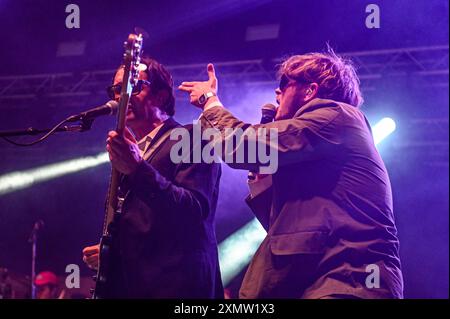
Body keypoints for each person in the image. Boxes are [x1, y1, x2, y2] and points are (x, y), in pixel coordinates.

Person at [178, 48, 404, 299]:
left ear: (310, 90)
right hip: (322, 279)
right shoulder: (319, 143)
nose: (277, 91)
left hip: (346, 281)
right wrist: (264, 179)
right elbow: (286, 229)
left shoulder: (335, 117)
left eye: (285, 83)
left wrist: (210, 102)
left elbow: (241, 145)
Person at [82, 56, 223, 298]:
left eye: (133, 87)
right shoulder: (133, 148)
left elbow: (193, 210)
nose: (121, 97)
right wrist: (114, 251)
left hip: (178, 289)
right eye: (117, 89)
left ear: (161, 97)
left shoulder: (194, 138)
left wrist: (138, 168)